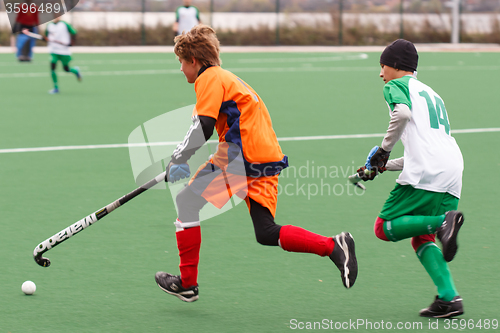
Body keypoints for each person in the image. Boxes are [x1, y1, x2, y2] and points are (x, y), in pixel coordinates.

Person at [155, 25, 358, 302]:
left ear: (194, 60)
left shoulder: (210, 77)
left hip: (241, 156)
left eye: (181, 62)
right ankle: (333, 246)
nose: (180, 69)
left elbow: (203, 126)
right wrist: (182, 157)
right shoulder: (226, 79)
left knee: (187, 203)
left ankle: (187, 283)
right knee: (265, 231)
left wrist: (179, 158)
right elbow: (202, 124)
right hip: (265, 156)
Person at [356, 39, 465, 318]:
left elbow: (401, 113)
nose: (381, 74)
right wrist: (382, 166)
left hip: (429, 171)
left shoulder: (396, 86)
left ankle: (444, 223)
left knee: (384, 227)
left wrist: (382, 150)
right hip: (452, 168)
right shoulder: (431, 93)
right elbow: (424, 149)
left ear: (394, 66)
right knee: (421, 238)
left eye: (382, 66)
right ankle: (449, 299)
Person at [45, 15, 81, 94]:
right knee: (52, 67)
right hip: (53, 50)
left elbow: (74, 32)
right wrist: (46, 39)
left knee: (66, 69)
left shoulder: (64, 24)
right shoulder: (49, 25)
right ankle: (56, 87)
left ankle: (76, 71)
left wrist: (72, 42)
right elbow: (46, 37)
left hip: (64, 51)